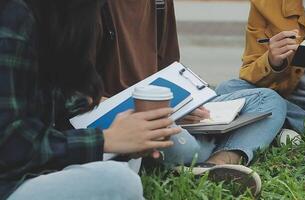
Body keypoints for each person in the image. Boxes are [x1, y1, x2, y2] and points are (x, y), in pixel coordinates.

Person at [101, 0, 288, 195]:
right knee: (188, 146)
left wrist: (185, 104)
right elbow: (79, 100)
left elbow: (169, 71)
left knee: (269, 101)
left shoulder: (160, 3)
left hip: (165, 113)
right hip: (123, 119)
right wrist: (165, 112)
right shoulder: (87, 9)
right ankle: (203, 156)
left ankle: (217, 163)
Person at [0, 0, 181, 199]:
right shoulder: (14, 18)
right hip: (10, 183)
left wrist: (123, 125)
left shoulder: (55, 15)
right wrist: (104, 141)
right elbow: (10, 145)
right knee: (117, 181)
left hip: (34, 170)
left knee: (125, 153)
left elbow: (43, 97)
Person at [216, 0, 305, 139]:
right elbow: (248, 71)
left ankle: (286, 127)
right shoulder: (264, 4)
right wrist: (272, 62)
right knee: (228, 89)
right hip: (288, 103)